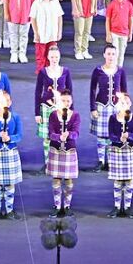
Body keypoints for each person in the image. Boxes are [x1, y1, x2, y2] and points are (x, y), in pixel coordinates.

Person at [0, 90, 23, 220]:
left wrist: (10, 138)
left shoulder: (16, 117)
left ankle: (9, 210)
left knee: (10, 183)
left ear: (10, 102)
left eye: (6, 100)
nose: (4, 102)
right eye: (1, 100)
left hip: (10, 152)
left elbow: (19, 136)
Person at [90, 45, 127, 171]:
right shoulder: (98, 70)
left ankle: (111, 160)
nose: (111, 56)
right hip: (102, 106)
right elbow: (93, 90)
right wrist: (93, 108)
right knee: (101, 135)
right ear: (104, 55)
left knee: (113, 134)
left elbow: (123, 90)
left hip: (116, 107)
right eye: (109, 54)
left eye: (113, 54)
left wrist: (124, 107)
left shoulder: (120, 71)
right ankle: (101, 161)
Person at [46, 88, 80, 217]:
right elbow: (50, 133)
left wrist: (69, 135)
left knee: (69, 179)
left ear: (71, 102)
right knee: (56, 179)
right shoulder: (53, 115)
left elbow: (76, 133)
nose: (66, 103)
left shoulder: (75, 115)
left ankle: (66, 206)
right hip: (55, 149)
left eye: (68, 101)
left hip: (69, 150)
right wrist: (58, 137)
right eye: (63, 100)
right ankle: (57, 205)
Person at [29, 0, 64, 73]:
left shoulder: (55, 1)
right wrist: (36, 33)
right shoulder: (36, 3)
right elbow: (33, 19)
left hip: (52, 32)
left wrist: (59, 31)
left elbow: (59, 17)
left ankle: (51, 71)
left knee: (52, 54)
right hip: (42, 33)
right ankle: (41, 72)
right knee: (41, 54)